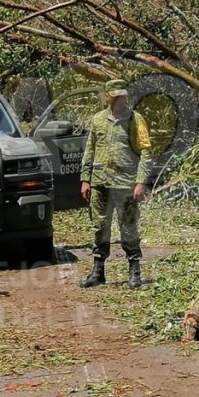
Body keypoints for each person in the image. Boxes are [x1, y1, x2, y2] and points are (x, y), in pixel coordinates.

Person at [79, 81, 155, 289]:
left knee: (128, 227)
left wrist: (140, 182)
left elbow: (146, 153)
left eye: (123, 96)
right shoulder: (97, 120)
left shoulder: (135, 119)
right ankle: (98, 272)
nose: (121, 99)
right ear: (107, 97)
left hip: (125, 184)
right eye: (116, 96)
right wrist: (85, 179)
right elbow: (90, 150)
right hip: (100, 183)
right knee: (100, 227)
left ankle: (134, 272)